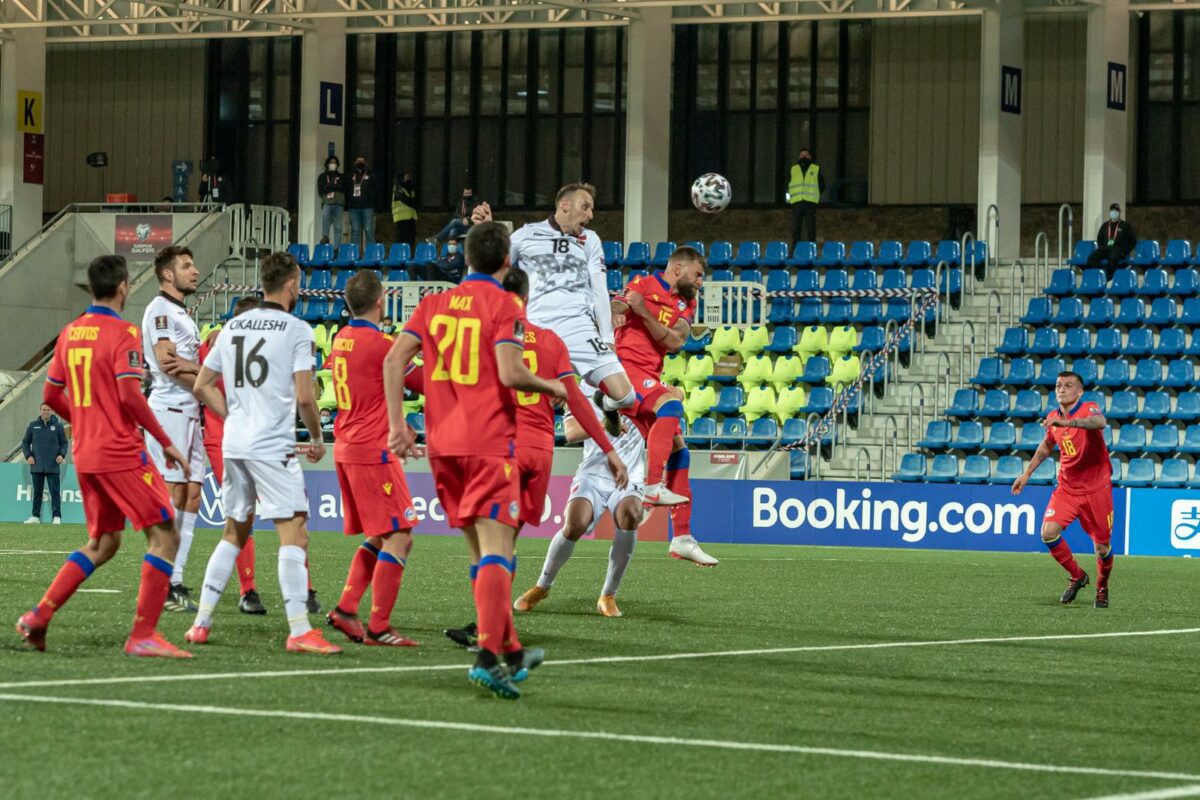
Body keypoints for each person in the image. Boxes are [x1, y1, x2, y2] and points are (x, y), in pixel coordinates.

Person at [383, 221, 568, 699]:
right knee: (496, 551)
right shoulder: (505, 304)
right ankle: (489, 656)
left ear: (465, 257)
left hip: (443, 447)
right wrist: (550, 386)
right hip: (487, 443)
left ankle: (507, 647)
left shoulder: (432, 304)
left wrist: (398, 425)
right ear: (507, 262)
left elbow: (393, 362)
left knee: (479, 552)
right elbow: (509, 372)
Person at [440, 268, 628, 651]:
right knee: (505, 542)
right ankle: (497, 627)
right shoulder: (550, 341)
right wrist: (609, 451)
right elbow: (576, 400)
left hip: (502, 448)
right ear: (529, 296)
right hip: (539, 454)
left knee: (494, 545)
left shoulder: (488, 337)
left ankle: (488, 631)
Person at [16, 254, 191, 657]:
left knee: (104, 541)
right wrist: (164, 440)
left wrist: (83, 417)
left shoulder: (71, 332)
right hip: (120, 451)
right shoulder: (122, 332)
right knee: (165, 535)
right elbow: (131, 394)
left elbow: (49, 395)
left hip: (87, 453)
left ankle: (38, 617)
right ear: (124, 286)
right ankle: (143, 635)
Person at [187, 251, 341, 654]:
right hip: (272, 444)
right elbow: (307, 398)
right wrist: (316, 437)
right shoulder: (297, 330)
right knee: (295, 532)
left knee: (234, 532)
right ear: (291, 285)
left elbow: (202, 385)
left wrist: (233, 415)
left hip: (235, 442)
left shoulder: (231, 326)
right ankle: (299, 629)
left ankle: (201, 622)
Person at [474, 184, 668, 487]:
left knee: (625, 394)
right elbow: (494, 265)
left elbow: (598, 288)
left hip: (579, 328)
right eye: (585, 206)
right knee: (517, 399)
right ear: (564, 205)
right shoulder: (525, 235)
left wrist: (608, 339)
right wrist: (486, 228)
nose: (590, 214)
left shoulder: (590, 240)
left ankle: (604, 405)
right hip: (536, 330)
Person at [324, 271, 422, 647]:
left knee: (382, 535)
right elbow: (420, 381)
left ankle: (347, 609)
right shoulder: (383, 345)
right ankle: (379, 627)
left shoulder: (341, 339)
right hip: (371, 451)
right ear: (381, 302)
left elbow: (371, 391)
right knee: (400, 536)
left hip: (349, 445)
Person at [612, 247, 718, 565]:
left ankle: (682, 537)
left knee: (680, 451)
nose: (701, 281)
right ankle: (652, 486)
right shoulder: (643, 283)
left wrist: (643, 312)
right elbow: (619, 303)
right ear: (677, 269)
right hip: (626, 370)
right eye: (697, 274)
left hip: (648, 375)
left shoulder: (687, 303)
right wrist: (617, 309)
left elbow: (675, 341)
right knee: (671, 406)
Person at [515, 386, 646, 618]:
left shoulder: (640, 384)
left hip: (630, 473)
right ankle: (543, 586)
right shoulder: (582, 388)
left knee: (631, 514)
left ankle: (608, 595)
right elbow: (572, 433)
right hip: (593, 473)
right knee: (575, 523)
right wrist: (607, 423)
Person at [1011, 371, 1114, 609]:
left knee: (1102, 547)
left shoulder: (1089, 408)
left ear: (1079, 392)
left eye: (1068, 385)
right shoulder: (1053, 418)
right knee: (1048, 532)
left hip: (1097, 489)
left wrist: (1068, 422)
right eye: (1058, 385)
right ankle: (1078, 575)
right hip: (1067, 488)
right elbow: (1047, 445)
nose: (1062, 389)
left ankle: (1102, 586)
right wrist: (1027, 473)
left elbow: (1100, 423)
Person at [141, 246, 205, 613]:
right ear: (168, 275)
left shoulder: (180, 311)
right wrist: (211, 373)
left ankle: (175, 578)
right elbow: (166, 363)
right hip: (169, 410)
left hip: (190, 410)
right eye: (186, 266)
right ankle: (161, 578)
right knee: (172, 494)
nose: (194, 271)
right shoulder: (161, 310)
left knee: (192, 494)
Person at [198, 296, 266, 616]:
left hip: (257, 441)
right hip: (223, 440)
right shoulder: (219, 345)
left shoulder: (260, 350)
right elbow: (198, 382)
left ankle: (303, 592)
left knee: (290, 516)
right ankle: (247, 590)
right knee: (240, 519)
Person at [22, 403, 69, 525]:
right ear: (40, 411)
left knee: (54, 492)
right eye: (43, 410)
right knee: (37, 493)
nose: (45, 412)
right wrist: (28, 456)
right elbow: (25, 443)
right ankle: (35, 516)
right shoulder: (33, 426)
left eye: (48, 410)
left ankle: (56, 517)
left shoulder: (58, 427)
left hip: (53, 465)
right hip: (37, 465)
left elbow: (64, 443)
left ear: (52, 411)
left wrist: (61, 455)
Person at [1087, 203, 1137, 280]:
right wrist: (1102, 247)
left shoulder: (1125, 226)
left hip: (1118, 249)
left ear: (1119, 212)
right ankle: (1100, 273)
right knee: (1091, 258)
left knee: (1113, 257)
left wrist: (1124, 251)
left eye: (1116, 211)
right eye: (1112, 210)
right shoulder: (1105, 225)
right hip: (1106, 248)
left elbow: (1133, 241)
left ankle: (1109, 276)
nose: (1114, 212)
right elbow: (1099, 239)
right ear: (1110, 212)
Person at [787, 148, 824, 246]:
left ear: (810, 157)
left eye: (806, 155)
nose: (803, 157)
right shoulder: (793, 169)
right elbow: (788, 185)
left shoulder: (816, 169)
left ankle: (811, 250)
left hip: (810, 203)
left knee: (811, 228)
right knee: (796, 228)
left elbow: (821, 185)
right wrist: (789, 200)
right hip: (796, 202)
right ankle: (795, 250)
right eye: (801, 155)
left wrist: (814, 196)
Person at [347, 155, 376, 252]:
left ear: (366, 163)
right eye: (358, 161)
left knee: (368, 230)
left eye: (362, 161)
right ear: (355, 163)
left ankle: (370, 254)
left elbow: (376, 189)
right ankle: (354, 255)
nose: (360, 163)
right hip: (353, 208)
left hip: (367, 207)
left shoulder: (371, 174)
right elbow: (347, 189)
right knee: (355, 232)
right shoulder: (350, 175)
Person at [319, 155, 346, 246]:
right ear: (327, 164)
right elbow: (321, 190)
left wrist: (329, 186)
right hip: (327, 203)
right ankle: (325, 243)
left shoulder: (341, 176)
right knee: (325, 224)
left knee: (338, 227)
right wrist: (333, 187)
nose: (333, 164)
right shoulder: (322, 176)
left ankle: (336, 248)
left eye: (334, 162)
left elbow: (342, 187)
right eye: (331, 162)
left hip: (339, 204)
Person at [391, 170, 418, 250]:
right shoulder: (398, 188)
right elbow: (407, 200)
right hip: (401, 218)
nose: (408, 178)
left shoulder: (411, 189)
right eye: (406, 176)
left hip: (411, 218)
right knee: (401, 240)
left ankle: (410, 256)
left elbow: (415, 201)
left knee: (411, 240)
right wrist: (412, 202)